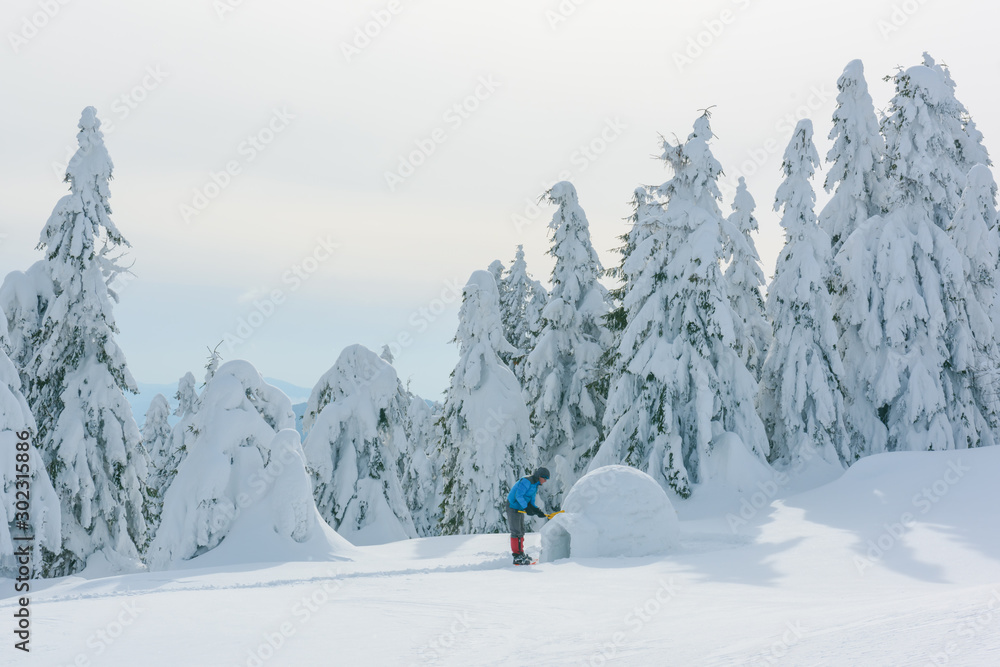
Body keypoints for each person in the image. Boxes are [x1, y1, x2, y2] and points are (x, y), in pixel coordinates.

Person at [506, 467, 550, 564]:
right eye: (545, 478)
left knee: (521, 531)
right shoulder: (527, 481)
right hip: (513, 506)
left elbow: (531, 500)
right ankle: (517, 557)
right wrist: (526, 507)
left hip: (520, 507)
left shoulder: (535, 484)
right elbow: (518, 495)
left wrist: (536, 510)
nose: (546, 480)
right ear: (539, 476)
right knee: (516, 531)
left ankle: (520, 553)